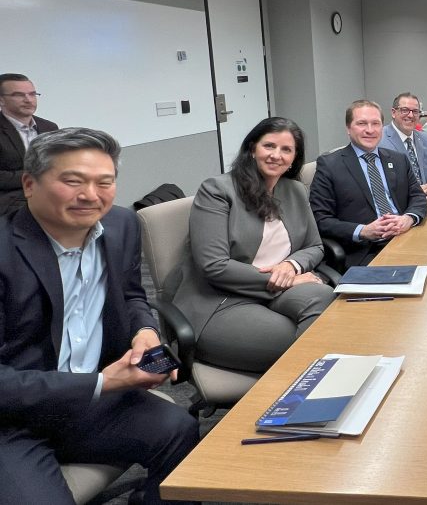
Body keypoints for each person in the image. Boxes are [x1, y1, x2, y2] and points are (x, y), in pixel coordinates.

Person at [0, 127, 199, 504]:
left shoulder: (121, 225)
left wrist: (144, 331)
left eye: (104, 182)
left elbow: (131, 293)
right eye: (72, 181)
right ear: (29, 184)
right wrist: (102, 384)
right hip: (12, 420)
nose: (90, 196)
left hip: (89, 403)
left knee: (180, 431)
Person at [172, 117, 335, 373]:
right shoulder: (217, 190)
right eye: (268, 146)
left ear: (294, 158)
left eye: (286, 150)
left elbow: (314, 246)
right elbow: (214, 266)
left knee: (326, 301)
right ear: (252, 149)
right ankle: (294, 404)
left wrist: (291, 265)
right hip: (222, 300)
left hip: (274, 293)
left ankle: (307, 394)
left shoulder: (294, 190)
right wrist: (286, 280)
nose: (276, 155)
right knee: (311, 340)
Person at [310, 101, 427, 268]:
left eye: (376, 124)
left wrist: (408, 219)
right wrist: (363, 231)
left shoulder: (398, 159)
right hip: (365, 251)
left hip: (405, 238)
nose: (370, 130)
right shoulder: (329, 165)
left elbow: (417, 196)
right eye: (361, 123)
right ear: (348, 128)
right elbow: (321, 219)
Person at [0, 73, 59, 215]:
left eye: (32, 94)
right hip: (10, 200)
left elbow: (58, 164)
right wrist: (36, 177)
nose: (28, 100)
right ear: (1, 100)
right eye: (19, 95)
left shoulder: (49, 127)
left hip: (50, 195)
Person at [380, 92, 427, 197]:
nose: (410, 115)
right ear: (393, 112)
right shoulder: (380, 140)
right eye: (404, 110)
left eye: (415, 111)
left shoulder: (425, 138)